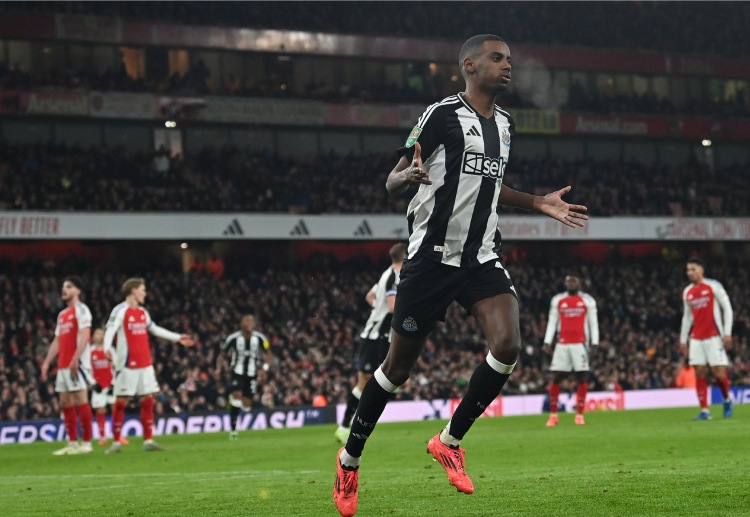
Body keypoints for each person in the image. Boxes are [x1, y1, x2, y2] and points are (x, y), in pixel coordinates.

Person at [332, 34, 588, 517]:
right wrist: (405, 178)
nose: (507, 65)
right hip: (429, 259)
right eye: (497, 58)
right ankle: (349, 461)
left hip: (480, 257)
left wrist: (537, 202)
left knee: (508, 346)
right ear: (469, 66)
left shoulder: (507, 125)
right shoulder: (442, 114)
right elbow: (393, 177)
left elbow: (488, 184)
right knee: (395, 371)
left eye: (510, 59)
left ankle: (449, 441)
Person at [103, 278, 194, 453]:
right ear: (133, 291)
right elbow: (111, 329)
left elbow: (155, 329)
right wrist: (107, 348)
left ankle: (148, 441)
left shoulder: (143, 312)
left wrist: (177, 338)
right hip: (127, 365)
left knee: (148, 400)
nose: (145, 293)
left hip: (145, 364)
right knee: (120, 402)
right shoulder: (120, 310)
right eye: (142, 290)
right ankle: (116, 442)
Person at [335, 243, 406, 444]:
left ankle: (347, 426)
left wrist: (378, 309)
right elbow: (393, 307)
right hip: (377, 337)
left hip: (374, 334)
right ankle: (350, 426)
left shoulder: (386, 274)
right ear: (405, 256)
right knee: (375, 380)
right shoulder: (395, 277)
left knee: (372, 380)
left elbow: (370, 296)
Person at [41, 276, 95, 455]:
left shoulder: (82, 310)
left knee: (81, 399)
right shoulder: (62, 315)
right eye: (63, 287)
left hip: (76, 363)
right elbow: (57, 340)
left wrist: (75, 359)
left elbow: (86, 336)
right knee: (65, 401)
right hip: (63, 364)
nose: (64, 289)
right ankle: (72, 443)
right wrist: (47, 362)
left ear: (77, 291)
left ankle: (86, 442)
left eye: (69, 286)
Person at [678, 257, 733, 420]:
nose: (690, 273)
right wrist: (683, 339)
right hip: (696, 338)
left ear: (702, 269)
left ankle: (727, 399)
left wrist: (727, 333)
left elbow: (727, 309)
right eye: (688, 270)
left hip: (714, 336)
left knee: (718, 373)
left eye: (693, 269)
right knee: (700, 372)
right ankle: (705, 410)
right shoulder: (687, 292)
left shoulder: (713, 286)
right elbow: (686, 317)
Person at [542, 275, 599, 426]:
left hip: (580, 344)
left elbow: (593, 323)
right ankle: (553, 415)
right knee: (556, 377)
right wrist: (547, 341)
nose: (571, 283)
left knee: (582, 377)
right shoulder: (558, 300)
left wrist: (595, 343)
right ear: (565, 284)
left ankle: (579, 415)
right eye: (568, 281)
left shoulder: (588, 300)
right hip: (562, 344)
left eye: (574, 281)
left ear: (579, 283)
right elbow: (552, 322)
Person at [221, 314, 271, 440]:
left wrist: (264, 369)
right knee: (237, 397)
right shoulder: (233, 338)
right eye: (247, 321)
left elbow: (269, 354)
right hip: (237, 372)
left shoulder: (260, 338)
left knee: (247, 406)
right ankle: (233, 431)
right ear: (241, 324)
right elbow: (222, 354)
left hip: (252, 373)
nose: (250, 323)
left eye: (252, 321)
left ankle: (236, 404)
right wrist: (219, 368)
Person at [88, 327, 129, 446]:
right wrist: (93, 384)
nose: (99, 336)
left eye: (101, 334)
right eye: (97, 334)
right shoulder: (90, 352)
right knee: (100, 410)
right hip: (98, 386)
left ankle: (118, 436)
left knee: (115, 409)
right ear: (93, 336)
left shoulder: (110, 350)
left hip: (111, 385)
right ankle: (103, 437)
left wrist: (114, 383)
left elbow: (117, 367)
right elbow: (87, 369)